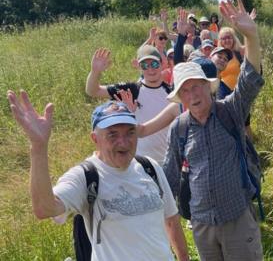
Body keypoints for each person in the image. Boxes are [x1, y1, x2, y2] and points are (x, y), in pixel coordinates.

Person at [6, 91, 189, 261]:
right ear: (95, 139)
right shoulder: (85, 176)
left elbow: (171, 220)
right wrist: (38, 147)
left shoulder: (150, 167)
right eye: (112, 135)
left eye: (130, 132)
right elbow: (44, 209)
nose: (123, 142)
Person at [163, 0, 264, 260]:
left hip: (237, 219)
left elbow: (251, 79)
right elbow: (170, 176)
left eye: (196, 86)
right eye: (185, 91)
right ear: (180, 99)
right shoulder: (179, 128)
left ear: (209, 87)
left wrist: (251, 37)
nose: (192, 94)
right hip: (202, 226)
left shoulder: (230, 110)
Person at [85, 45, 171, 164]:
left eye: (154, 64)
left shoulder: (171, 92)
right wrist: (95, 72)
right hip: (140, 161)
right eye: (145, 66)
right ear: (139, 68)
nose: (150, 69)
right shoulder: (132, 90)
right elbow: (93, 91)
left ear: (162, 64)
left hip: (168, 159)